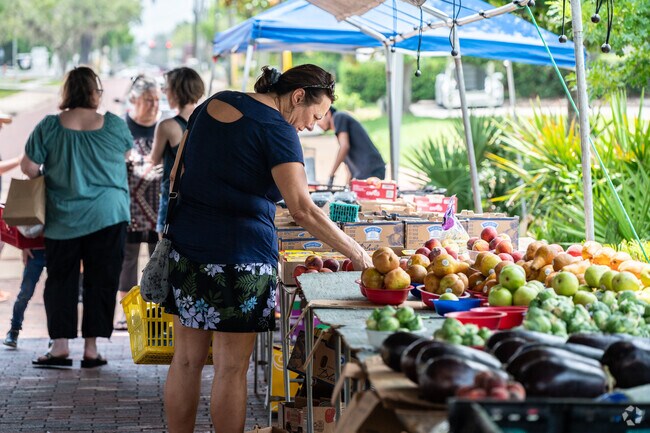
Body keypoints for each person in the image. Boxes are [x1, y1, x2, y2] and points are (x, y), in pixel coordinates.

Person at [161, 64, 372, 433]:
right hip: (239, 261)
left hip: (188, 248)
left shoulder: (213, 103)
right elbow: (302, 209)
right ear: (297, 97)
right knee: (229, 369)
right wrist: (357, 252)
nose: (311, 124)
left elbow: (178, 173)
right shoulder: (277, 129)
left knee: (185, 362)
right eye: (315, 114)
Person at [21, 66, 132, 368]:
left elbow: (29, 168)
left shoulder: (49, 126)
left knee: (60, 280)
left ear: (67, 92)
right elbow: (124, 157)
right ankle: (91, 351)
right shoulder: (114, 125)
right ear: (96, 92)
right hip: (108, 214)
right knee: (102, 280)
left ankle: (59, 348)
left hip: (63, 215)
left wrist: (57, 172)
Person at [115, 74, 162, 330]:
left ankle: (155, 313)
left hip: (159, 208)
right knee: (128, 260)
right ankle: (127, 314)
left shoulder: (163, 126)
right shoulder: (123, 127)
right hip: (130, 207)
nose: (153, 104)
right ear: (134, 100)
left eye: (156, 99)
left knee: (157, 259)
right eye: (148, 100)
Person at [149, 67, 204, 236]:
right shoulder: (208, 120)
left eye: (167, 88)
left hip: (173, 201)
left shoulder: (167, 126)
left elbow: (154, 159)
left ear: (176, 92)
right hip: (201, 199)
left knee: (167, 257)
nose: (165, 92)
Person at [316, 106, 386, 185]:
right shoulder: (340, 131)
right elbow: (348, 168)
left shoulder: (339, 116)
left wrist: (331, 175)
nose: (317, 123)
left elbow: (344, 147)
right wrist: (347, 188)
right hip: (364, 173)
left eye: (318, 118)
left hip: (371, 170)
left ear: (328, 113)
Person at [3, 247, 46, 348]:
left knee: (55, 296)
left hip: (56, 248)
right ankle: (14, 330)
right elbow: (25, 230)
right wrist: (24, 247)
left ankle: (56, 336)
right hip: (35, 251)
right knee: (25, 294)